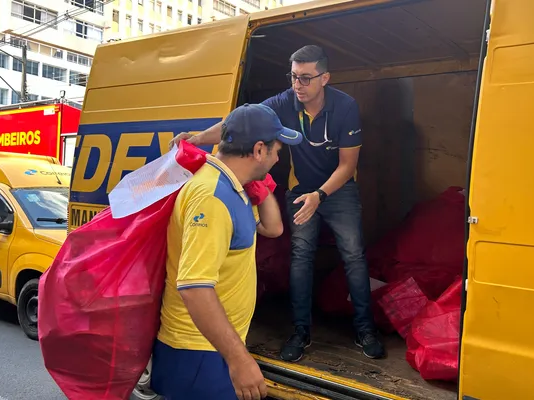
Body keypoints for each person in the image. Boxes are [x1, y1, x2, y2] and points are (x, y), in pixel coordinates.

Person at [172, 45, 386, 362]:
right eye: (294, 77)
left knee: (353, 255)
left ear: (324, 78)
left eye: (306, 78)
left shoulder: (345, 107)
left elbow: (347, 165)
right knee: (300, 257)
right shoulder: (284, 102)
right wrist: (197, 138)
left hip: (339, 191)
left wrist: (321, 195)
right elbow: (239, 122)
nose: (297, 85)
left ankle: (365, 330)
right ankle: (300, 332)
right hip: (300, 191)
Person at [152, 103, 303, 400]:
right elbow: (194, 287)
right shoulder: (213, 197)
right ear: (259, 150)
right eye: (276, 149)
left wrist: (260, 184)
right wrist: (239, 360)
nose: (278, 156)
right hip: (199, 352)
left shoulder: (234, 188)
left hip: (209, 347)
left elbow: (273, 229)